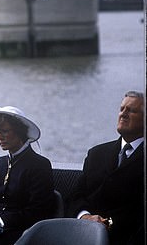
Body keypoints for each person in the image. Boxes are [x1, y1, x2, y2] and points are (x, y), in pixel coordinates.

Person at [67, 91, 145, 245]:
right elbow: (76, 195)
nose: (123, 114)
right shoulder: (96, 154)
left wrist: (106, 224)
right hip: (81, 234)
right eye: (122, 109)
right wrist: (84, 217)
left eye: (132, 110)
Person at [0, 106, 55, 245]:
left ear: (20, 132)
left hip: (21, 234)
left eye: (4, 131)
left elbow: (39, 210)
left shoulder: (39, 165)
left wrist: (1, 221)